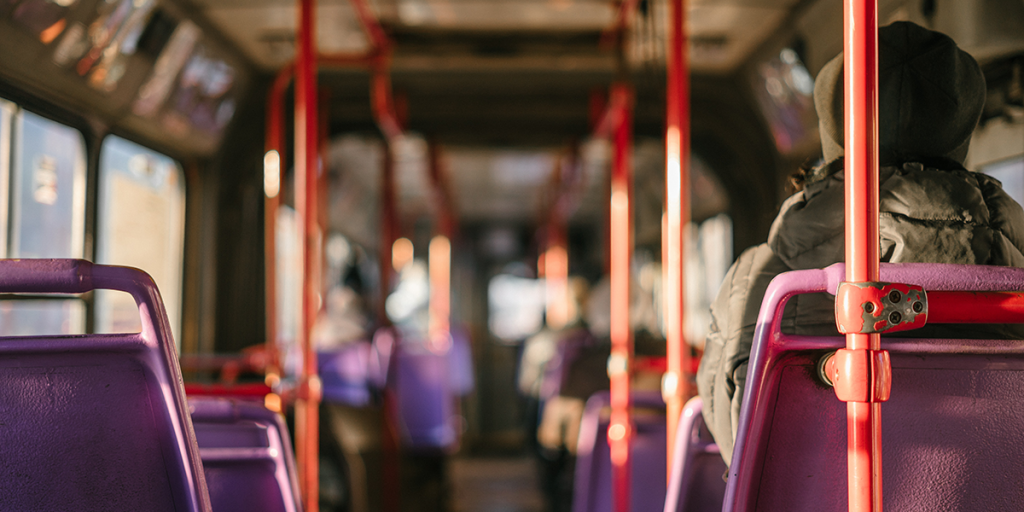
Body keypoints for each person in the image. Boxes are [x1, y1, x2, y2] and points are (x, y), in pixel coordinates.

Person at [697, 21, 1024, 467]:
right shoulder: (1014, 258)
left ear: (835, 130)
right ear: (960, 131)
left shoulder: (763, 278)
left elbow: (737, 436)